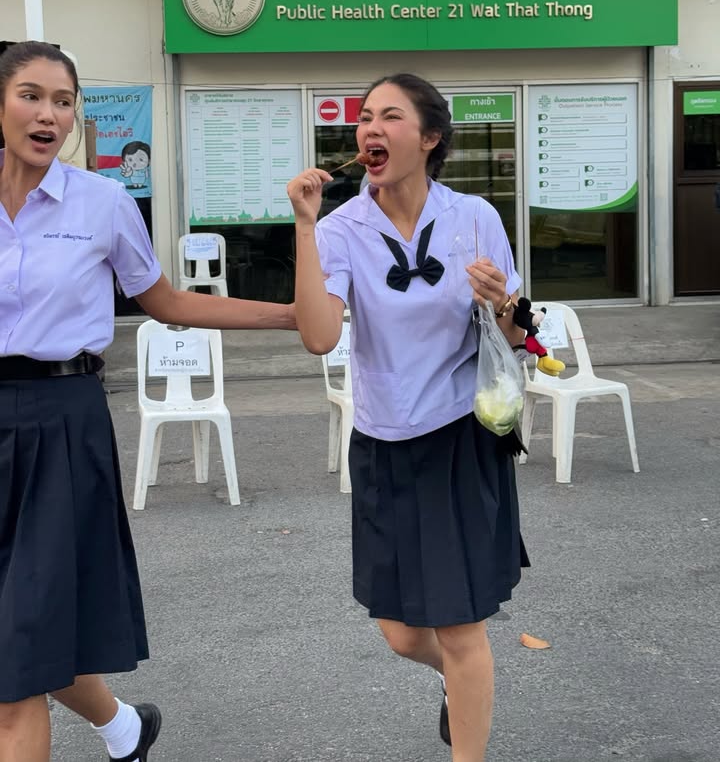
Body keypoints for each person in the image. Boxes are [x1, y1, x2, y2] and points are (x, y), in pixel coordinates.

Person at [0, 41, 295, 762]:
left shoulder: (101, 202)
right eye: (31, 95)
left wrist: (288, 315)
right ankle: (125, 729)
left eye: (63, 101)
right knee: (25, 635)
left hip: (59, 424)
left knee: (16, 666)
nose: (49, 114)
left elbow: (162, 299)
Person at [287, 73, 529, 762]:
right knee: (399, 631)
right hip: (384, 443)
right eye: (364, 117)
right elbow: (316, 334)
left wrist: (502, 301)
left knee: (459, 627)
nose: (370, 128)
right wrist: (306, 226)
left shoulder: (474, 217)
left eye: (390, 116)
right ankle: (461, 686)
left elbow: (517, 336)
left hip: (460, 437)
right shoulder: (340, 228)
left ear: (429, 138)